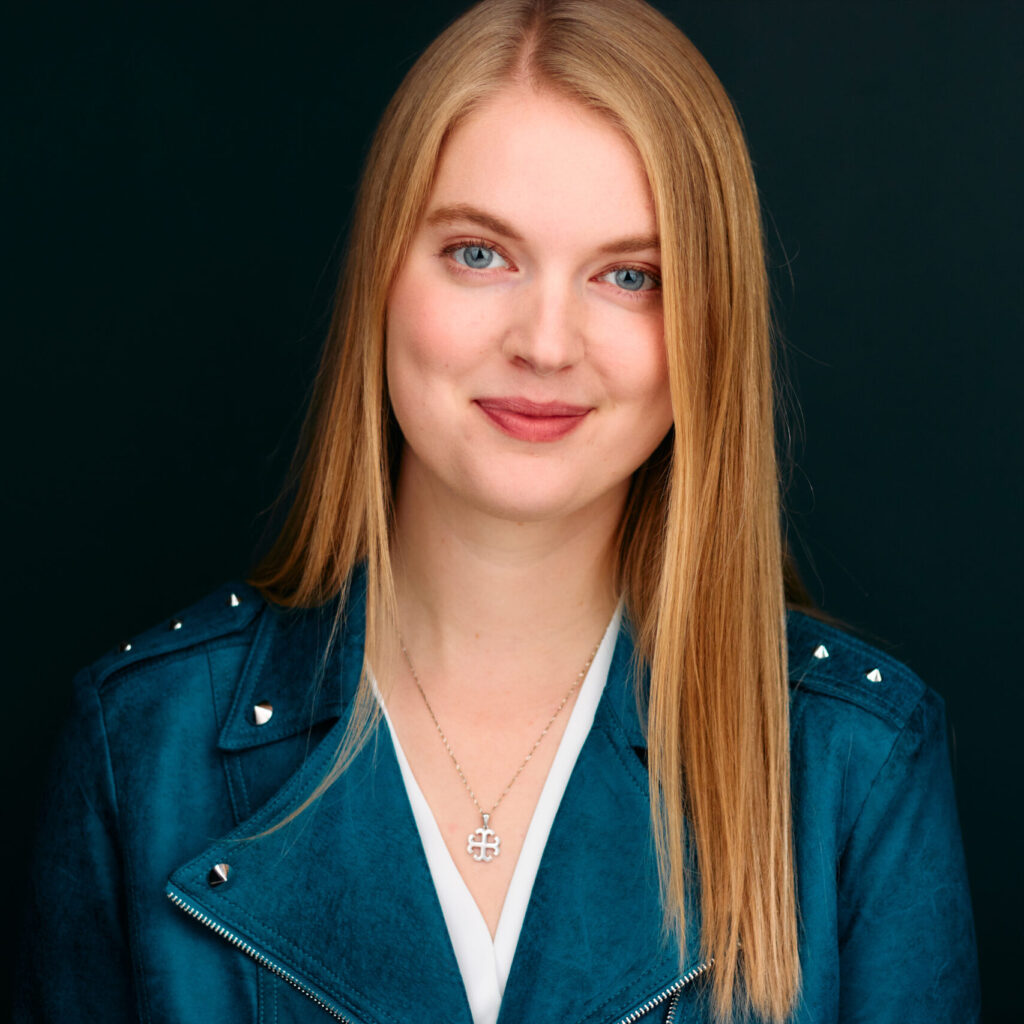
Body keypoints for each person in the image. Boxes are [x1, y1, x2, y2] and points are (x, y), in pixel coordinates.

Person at [17, 1, 980, 1021]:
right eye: (481, 253)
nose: (546, 342)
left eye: (629, 275)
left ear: (707, 324)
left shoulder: (851, 761)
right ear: (382, 276)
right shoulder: (142, 745)